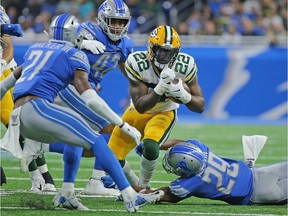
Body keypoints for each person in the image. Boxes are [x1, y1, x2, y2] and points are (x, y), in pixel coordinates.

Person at [0, 13, 163, 211]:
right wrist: (122, 124)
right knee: (96, 141)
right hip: (38, 109)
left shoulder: (36, 48)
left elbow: (5, 85)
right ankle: (130, 195)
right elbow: (90, 99)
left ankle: (66, 192)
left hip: (19, 116)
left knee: (76, 139)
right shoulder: (74, 55)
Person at [45, 0, 134, 196]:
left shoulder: (126, 44)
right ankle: (95, 181)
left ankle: (42, 147)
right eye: (113, 21)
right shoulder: (86, 31)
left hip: (86, 89)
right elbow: (56, 42)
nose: (117, 26)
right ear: (102, 19)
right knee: (110, 128)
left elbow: (129, 71)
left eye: (121, 22)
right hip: (67, 86)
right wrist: (80, 42)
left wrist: (137, 90)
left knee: (85, 142)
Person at [107, 24, 205, 188]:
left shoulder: (185, 65)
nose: (164, 55)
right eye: (160, 50)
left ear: (176, 52)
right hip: (137, 110)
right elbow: (140, 107)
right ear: (151, 47)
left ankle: (144, 186)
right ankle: (134, 185)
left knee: (151, 146)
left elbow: (200, 106)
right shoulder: (138, 63)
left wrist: (184, 95)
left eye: (169, 51)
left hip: (165, 112)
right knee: (111, 157)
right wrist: (161, 88)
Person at [133, 136, 287, 205]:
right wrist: (156, 145)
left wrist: (126, 188)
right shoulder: (202, 150)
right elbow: (183, 142)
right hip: (262, 174)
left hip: (258, 193)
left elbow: (160, 195)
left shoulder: (191, 182)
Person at [0, 5, 56, 192]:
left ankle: (41, 178)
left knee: (18, 123)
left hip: (3, 72)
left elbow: (8, 48)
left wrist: (1, 64)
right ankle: (43, 178)